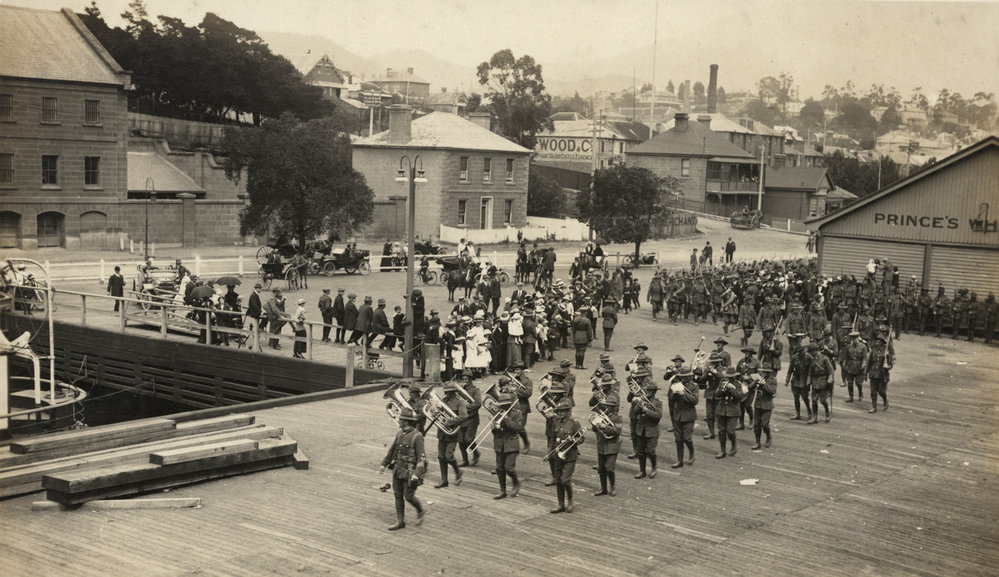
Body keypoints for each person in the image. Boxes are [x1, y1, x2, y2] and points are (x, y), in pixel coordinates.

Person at [379, 408, 426, 531]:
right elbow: (392, 449)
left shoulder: (417, 436)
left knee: (409, 496)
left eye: (400, 419)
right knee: (397, 495)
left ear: (406, 422)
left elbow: (422, 457)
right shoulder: (399, 433)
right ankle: (400, 521)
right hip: (398, 469)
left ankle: (420, 510)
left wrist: (417, 474)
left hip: (410, 472)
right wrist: (384, 464)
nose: (398, 421)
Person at [547, 398, 584, 514]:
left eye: (562, 411)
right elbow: (553, 438)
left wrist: (574, 440)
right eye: (559, 411)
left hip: (570, 456)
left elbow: (582, 438)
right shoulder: (557, 422)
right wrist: (551, 452)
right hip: (558, 455)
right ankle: (561, 504)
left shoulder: (574, 423)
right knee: (558, 480)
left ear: (567, 411)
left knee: (565, 480)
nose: (560, 413)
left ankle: (570, 501)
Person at [432, 382, 468, 488]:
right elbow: (438, 413)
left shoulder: (460, 403)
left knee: (449, 456)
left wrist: (450, 421)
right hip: (442, 432)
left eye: (448, 392)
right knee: (441, 456)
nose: (446, 394)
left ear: (453, 392)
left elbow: (464, 416)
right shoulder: (443, 401)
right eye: (445, 392)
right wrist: (436, 410)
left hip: (453, 433)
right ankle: (444, 480)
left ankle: (458, 472)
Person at [629, 367, 662, 478]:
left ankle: (654, 467)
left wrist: (647, 410)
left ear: (654, 392)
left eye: (649, 391)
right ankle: (642, 471)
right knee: (641, 452)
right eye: (647, 390)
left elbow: (658, 415)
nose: (647, 392)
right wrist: (639, 403)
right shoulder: (642, 399)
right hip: (641, 429)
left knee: (651, 451)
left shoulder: (657, 403)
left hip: (652, 431)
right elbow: (635, 411)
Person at [490, 392, 523, 499]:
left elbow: (517, 428)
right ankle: (502, 491)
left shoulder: (516, 413)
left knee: (509, 468)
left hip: (511, 444)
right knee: (500, 468)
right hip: (499, 444)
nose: (502, 407)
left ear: (509, 405)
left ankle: (516, 482)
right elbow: (494, 432)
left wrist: (506, 420)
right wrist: (495, 427)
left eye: (504, 405)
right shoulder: (497, 414)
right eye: (501, 405)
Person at [589, 390, 623, 496]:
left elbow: (617, 431)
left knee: (610, 468)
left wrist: (605, 427)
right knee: (601, 468)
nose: (608, 408)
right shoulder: (601, 415)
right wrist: (596, 425)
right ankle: (603, 488)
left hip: (612, 446)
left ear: (614, 407)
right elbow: (594, 429)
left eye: (610, 406)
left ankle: (612, 486)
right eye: (607, 405)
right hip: (602, 444)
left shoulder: (618, 418)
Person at [668, 365, 698, 468]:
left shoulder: (694, 386)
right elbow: (671, 399)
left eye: (686, 376)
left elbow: (695, 400)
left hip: (689, 416)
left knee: (687, 438)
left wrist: (683, 394)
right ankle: (679, 460)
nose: (684, 378)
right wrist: (675, 393)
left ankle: (692, 453)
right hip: (678, 415)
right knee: (678, 439)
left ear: (690, 376)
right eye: (683, 376)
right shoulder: (677, 384)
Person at [714, 368, 744, 458]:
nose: (729, 379)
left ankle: (733, 444)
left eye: (731, 377)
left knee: (730, 431)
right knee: (721, 432)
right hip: (722, 410)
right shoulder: (722, 382)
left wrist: (732, 389)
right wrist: (722, 390)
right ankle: (722, 451)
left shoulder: (738, 384)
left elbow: (740, 397)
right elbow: (717, 394)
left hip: (733, 411)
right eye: (727, 377)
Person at [749, 363, 778, 449]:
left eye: (766, 372)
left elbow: (772, 391)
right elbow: (749, 388)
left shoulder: (772, 380)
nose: (764, 373)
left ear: (769, 372)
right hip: (758, 404)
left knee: (765, 424)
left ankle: (768, 436)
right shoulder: (759, 378)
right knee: (756, 425)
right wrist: (755, 382)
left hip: (767, 405)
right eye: (763, 371)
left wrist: (764, 384)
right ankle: (757, 442)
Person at [457, 376, 482, 467]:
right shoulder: (459, 390)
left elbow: (478, 403)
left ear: (470, 380)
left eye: (466, 379)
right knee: (460, 440)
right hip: (462, 419)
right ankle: (465, 460)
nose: (465, 381)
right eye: (463, 379)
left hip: (472, 418)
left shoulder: (475, 390)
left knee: (468, 439)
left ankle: (476, 453)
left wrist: (464, 407)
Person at [864, 334, 893, 413]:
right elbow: (869, 362)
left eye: (879, 341)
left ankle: (885, 400)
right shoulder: (873, 351)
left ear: (882, 342)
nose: (877, 342)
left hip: (881, 374)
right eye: (876, 341)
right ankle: (874, 407)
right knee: (873, 392)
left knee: (881, 391)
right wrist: (865, 373)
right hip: (873, 373)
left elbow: (890, 364)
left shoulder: (886, 352)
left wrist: (887, 366)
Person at [807, 342, 835, 424]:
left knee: (823, 400)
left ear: (815, 351)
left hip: (824, 382)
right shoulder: (812, 359)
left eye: (811, 352)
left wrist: (830, 379)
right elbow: (810, 370)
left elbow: (831, 370)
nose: (810, 353)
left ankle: (827, 412)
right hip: (815, 382)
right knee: (814, 400)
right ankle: (814, 417)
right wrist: (809, 379)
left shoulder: (824, 358)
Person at [785, 344, 812, 421]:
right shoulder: (794, 357)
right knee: (796, 397)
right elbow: (790, 370)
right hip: (796, 379)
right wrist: (787, 380)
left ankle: (810, 412)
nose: (801, 353)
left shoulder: (809, 358)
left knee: (805, 397)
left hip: (804, 380)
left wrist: (810, 381)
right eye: (799, 351)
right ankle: (797, 413)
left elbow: (811, 370)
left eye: (802, 351)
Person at [843, 330, 869, 403]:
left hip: (859, 366)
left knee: (858, 383)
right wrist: (844, 365)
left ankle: (860, 393)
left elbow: (865, 358)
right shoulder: (848, 347)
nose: (854, 340)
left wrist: (863, 365)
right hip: (850, 366)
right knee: (850, 382)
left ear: (858, 338)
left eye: (855, 338)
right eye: (852, 339)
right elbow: (846, 357)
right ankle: (851, 396)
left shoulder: (863, 346)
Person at [245, 282, 264, 349]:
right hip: (254, 313)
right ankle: (261, 328)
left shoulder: (255, 294)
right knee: (266, 317)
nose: (261, 289)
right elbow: (254, 305)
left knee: (266, 316)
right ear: (257, 289)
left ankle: (260, 328)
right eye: (260, 288)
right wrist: (260, 311)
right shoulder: (253, 295)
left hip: (255, 312)